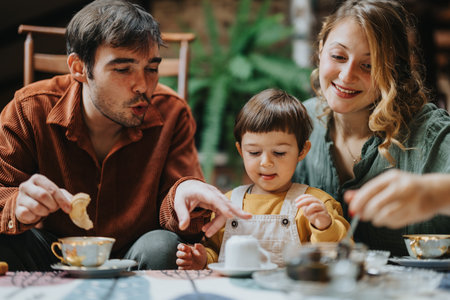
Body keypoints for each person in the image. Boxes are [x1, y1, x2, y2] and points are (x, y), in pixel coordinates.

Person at [0, 0, 249, 271]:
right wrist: (17, 205)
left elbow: (180, 220)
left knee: (165, 246)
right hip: (53, 252)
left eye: (151, 68)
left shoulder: (172, 112)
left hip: (134, 254)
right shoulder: (28, 109)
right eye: (122, 69)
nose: (143, 85)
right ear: (79, 68)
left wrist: (183, 192)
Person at [293, 0, 450, 257]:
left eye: (368, 65)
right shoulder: (298, 121)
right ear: (321, 50)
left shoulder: (431, 134)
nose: (346, 75)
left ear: (394, 72)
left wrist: (432, 195)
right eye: (338, 56)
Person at [175, 89, 349, 269]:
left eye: (279, 153)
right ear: (241, 151)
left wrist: (324, 226)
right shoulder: (226, 204)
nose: (266, 163)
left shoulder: (314, 205)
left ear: (302, 151)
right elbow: (217, 253)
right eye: (254, 153)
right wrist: (202, 259)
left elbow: (341, 255)